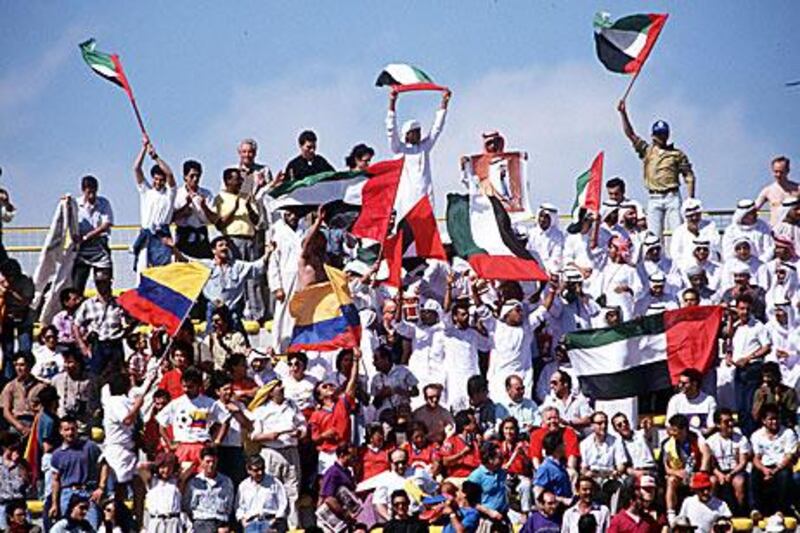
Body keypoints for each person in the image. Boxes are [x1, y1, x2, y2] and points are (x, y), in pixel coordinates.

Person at [617, 99, 696, 240]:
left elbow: (689, 176)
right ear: (653, 135)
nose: (662, 137)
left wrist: (690, 199)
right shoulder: (647, 151)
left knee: (678, 232)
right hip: (654, 196)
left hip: (672, 196)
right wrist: (623, 113)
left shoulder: (677, 154)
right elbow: (631, 135)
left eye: (664, 134)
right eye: (659, 134)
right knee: (653, 235)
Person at [249, 379, 306, 528]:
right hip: (271, 452)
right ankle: (271, 527)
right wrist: (270, 436)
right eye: (278, 386)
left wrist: (300, 433)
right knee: (271, 490)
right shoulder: (261, 410)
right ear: (270, 391)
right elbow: (254, 436)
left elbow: (303, 425)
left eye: (281, 385)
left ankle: (293, 527)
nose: (281, 388)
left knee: (292, 492)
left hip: (291, 451)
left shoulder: (292, 406)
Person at [386, 87, 451, 212]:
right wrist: (392, 102)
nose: (418, 134)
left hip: (425, 197)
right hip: (406, 199)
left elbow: (437, 128)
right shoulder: (399, 149)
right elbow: (391, 129)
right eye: (414, 132)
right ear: (407, 135)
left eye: (419, 131)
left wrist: (444, 102)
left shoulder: (424, 148)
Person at [214, 167, 265, 322]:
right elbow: (219, 224)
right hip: (232, 240)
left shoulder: (246, 197)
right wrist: (234, 208)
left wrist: (248, 207)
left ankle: (257, 313)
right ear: (228, 181)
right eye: (237, 179)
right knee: (236, 277)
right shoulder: (220, 198)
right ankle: (236, 311)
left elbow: (256, 221)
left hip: (249, 238)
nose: (240, 182)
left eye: (241, 180)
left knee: (253, 276)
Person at [156, 367, 230, 473]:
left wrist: (217, 441)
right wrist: (170, 443)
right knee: (182, 478)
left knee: (203, 479)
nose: (186, 390)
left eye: (190, 387)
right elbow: (161, 423)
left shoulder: (209, 403)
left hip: (202, 446)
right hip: (182, 446)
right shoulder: (176, 403)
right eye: (184, 386)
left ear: (198, 386)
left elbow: (225, 420)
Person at [309, 347, 361, 473]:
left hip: (345, 452)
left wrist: (356, 360)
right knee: (325, 483)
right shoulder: (316, 415)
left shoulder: (343, 403)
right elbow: (314, 438)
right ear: (319, 396)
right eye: (324, 387)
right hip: (327, 454)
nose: (329, 387)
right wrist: (324, 435)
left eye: (330, 385)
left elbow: (352, 383)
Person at [49, 416, 107, 529]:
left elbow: (104, 465)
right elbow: (55, 480)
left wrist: (101, 487)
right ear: (61, 431)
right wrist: (54, 503)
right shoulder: (57, 454)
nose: (70, 432)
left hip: (88, 493)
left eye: (73, 429)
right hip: (67, 494)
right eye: (66, 430)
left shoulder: (90, 447)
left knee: (91, 527)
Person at [727, 293, 771, 435]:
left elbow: (766, 347)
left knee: (750, 406)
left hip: (753, 369)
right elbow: (730, 344)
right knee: (740, 407)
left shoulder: (758, 326)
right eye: (741, 309)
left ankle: (752, 435)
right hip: (739, 370)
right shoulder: (735, 326)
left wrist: (749, 358)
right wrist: (729, 356)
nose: (744, 312)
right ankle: (745, 436)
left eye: (747, 309)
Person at [132, 137, 177, 271]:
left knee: (162, 272)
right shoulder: (146, 191)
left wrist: (155, 157)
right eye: (156, 179)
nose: (158, 182)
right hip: (146, 234)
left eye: (161, 180)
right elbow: (136, 169)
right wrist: (144, 149)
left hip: (162, 235)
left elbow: (169, 174)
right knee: (143, 271)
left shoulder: (170, 194)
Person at [72, 269, 128, 376]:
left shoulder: (118, 303)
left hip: (115, 343)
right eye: (98, 282)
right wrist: (82, 346)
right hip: (98, 345)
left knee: (117, 377)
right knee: (96, 378)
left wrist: (126, 332)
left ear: (110, 282)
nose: (101, 285)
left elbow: (129, 320)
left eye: (103, 282)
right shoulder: (88, 304)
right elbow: (75, 325)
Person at [661, 414, 711, 523]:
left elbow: (706, 454)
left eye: (675, 430)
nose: (672, 433)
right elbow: (667, 468)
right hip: (680, 475)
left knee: (712, 481)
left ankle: (709, 510)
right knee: (671, 480)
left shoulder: (696, 437)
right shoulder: (667, 444)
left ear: (683, 430)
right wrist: (678, 472)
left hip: (696, 473)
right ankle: (671, 515)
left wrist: (701, 473)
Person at [268, 208, 304, 351]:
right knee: (284, 316)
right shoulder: (278, 232)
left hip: (302, 279)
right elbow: (273, 262)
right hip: (285, 280)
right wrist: (276, 286)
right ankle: (280, 348)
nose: (293, 216)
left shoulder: (304, 230)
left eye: (295, 213)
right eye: (289, 214)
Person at [750, 403, 796, 515]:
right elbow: (756, 458)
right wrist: (764, 470)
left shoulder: (788, 433)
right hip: (765, 466)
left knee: (784, 475)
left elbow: (788, 456)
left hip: (781, 466)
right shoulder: (757, 435)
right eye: (771, 419)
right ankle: (756, 509)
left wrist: (775, 471)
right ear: (763, 421)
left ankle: (780, 510)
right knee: (754, 473)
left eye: (776, 418)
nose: (774, 422)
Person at [73, 175, 114, 295]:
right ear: (83, 190)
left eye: (94, 191)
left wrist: (87, 236)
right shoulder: (75, 204)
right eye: (89, 192)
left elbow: (106, 224)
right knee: (77, 285)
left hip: (100, 247)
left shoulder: (104, 203)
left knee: (104, 283)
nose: (92, 195)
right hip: (81, 249)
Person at [704, 408, 750, 516]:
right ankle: (712, 512)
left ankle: (740, 512)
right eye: (726, 422)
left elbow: (743, 462)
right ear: (718, 425)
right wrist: (719, 474)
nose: (730, 424)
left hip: (736, 470)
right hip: (719, 470)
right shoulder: (710, 441)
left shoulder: (741, 439)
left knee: (739, 482)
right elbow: (712, 465)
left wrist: (731, 474)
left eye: (731, 421)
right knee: (712, 481)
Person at [182, 445, 236, 533]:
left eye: (213, 461)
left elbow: (229, 504)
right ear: (201, 461)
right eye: (208, 462)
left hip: (221, 521)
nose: (211, 465)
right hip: (201, 521)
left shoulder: (226, 481)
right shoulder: (194, 483)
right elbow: (187, 505)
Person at [173, 158, 216, 259]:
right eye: (192, 176)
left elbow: (213, 219)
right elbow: (171, 218)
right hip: (183, 235)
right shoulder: (177, 194)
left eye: (198, 176)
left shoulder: (206, 194)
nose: (195, 179)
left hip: (201, 234)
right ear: (185, 177)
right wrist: (185, 207)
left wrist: (204, 206)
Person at [235, 454, 289, 533]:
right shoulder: (243, 486)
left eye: (262, 469)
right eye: (256, 470)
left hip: (270, 521)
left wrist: (276, 520)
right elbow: (239, 507)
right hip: (251, 523)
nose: (260, 472)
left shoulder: (274, 482)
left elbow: (283, 503)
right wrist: (243, 520)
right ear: (248, 470)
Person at [51, 349, 99, 436]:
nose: (67, 365)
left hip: (83, 426)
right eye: (65, 362)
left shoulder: (89, 380)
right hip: (62, 425)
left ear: (78, 363)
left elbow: (96, 401)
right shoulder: (57, 380)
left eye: (70, 362)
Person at [0, 259, 34, 379]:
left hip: (24, 319)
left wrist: (11, 291)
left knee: (25, 349)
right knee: (7, 351)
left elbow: (26, 301)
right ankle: (7, 378)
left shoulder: (26, 282)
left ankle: (25, 376)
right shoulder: (1, 281)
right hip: (7, 319)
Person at [317, 444, 361, 531]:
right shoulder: (333, 472)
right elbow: (328, 498)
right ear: (342, 455)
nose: (354, 459)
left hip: (344, 520)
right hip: (331, 520)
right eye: (352, 456)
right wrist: (346, 515)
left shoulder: (347, 472)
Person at [1, 352, 46, 436]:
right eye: (16, 365)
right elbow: (6, 411)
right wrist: (20, 427)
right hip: (16, 424)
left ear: (30, 366)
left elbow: (44, 410)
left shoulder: (41, 387)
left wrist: (34, 428)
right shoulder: (10, 386)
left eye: (22, 365)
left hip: (35, 423)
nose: (18, 368)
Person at [670, 199, 721, 267]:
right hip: (687, 268)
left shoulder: (710, 226)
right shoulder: (679, 231)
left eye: (697, 215)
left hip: (709, 266)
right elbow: (675, 255)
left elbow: (715, 248)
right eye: (691, 216)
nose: (694, 218)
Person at [666, 369, 718, 434]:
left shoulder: (709, 400)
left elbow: (711, 425)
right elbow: (669, 426)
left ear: (694, 384)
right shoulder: (675, 400)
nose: (680, 385)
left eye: (684, 383)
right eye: (679, 382)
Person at [143, 451, 184, 533]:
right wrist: (154, 464)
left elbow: (189, 466)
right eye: (163, 467)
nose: (166, 470)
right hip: (156, 521)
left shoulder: (176, 481)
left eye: (169, 467)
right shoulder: (152, 481)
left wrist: (177, 466)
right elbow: (141, 467)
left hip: (173, 521)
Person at [751, 361, 798, 430]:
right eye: (764, 376)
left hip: (784, 426)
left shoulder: (789, 392)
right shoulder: (760, 392)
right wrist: (761, 400)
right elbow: (755, 416)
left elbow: (791, 415)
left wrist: (779, 401)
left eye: (769, 376)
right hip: (764, 426)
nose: (766, 379)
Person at [610, 412, 658, 478]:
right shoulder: (618, 443)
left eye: (625, 422)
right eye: (619, 425)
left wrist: (647, 426)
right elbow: (622, 465)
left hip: (649, 470)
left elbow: (648, 432)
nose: (624, 425)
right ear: (615, 429)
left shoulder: (641, 434)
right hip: (634, 473)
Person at [755, 156, 798, 227]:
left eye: (781, 172)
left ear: (788, 171)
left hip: (795, 231)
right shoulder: (767, 191)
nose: (778, 175)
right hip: (776, 232)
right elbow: (753, 209)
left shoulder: (798, 189)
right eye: (776, 171)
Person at [533, 432, 573, 505]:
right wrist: (561, 499)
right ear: (556, 447)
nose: (565, 445)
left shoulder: (561, 465)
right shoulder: (545, 468)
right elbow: (538, 494)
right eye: (562, 444)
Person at [440, 409, 481, 480]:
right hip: (456, 477)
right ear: (465, 426)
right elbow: (445, 461)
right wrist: (462, 453)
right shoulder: (451, 441)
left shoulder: (476, 441)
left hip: (474, 477)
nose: (476, 425)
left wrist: (480, 446)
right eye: (473, 422)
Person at [526, 203, 565, 274]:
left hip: (549, 270)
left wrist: (550, 271)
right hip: (531, 268)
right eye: (541, 216)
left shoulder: (558, 235)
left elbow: (557, 255)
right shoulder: (530, 233)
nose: (542, 219)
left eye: (546, 217)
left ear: (552, 219)